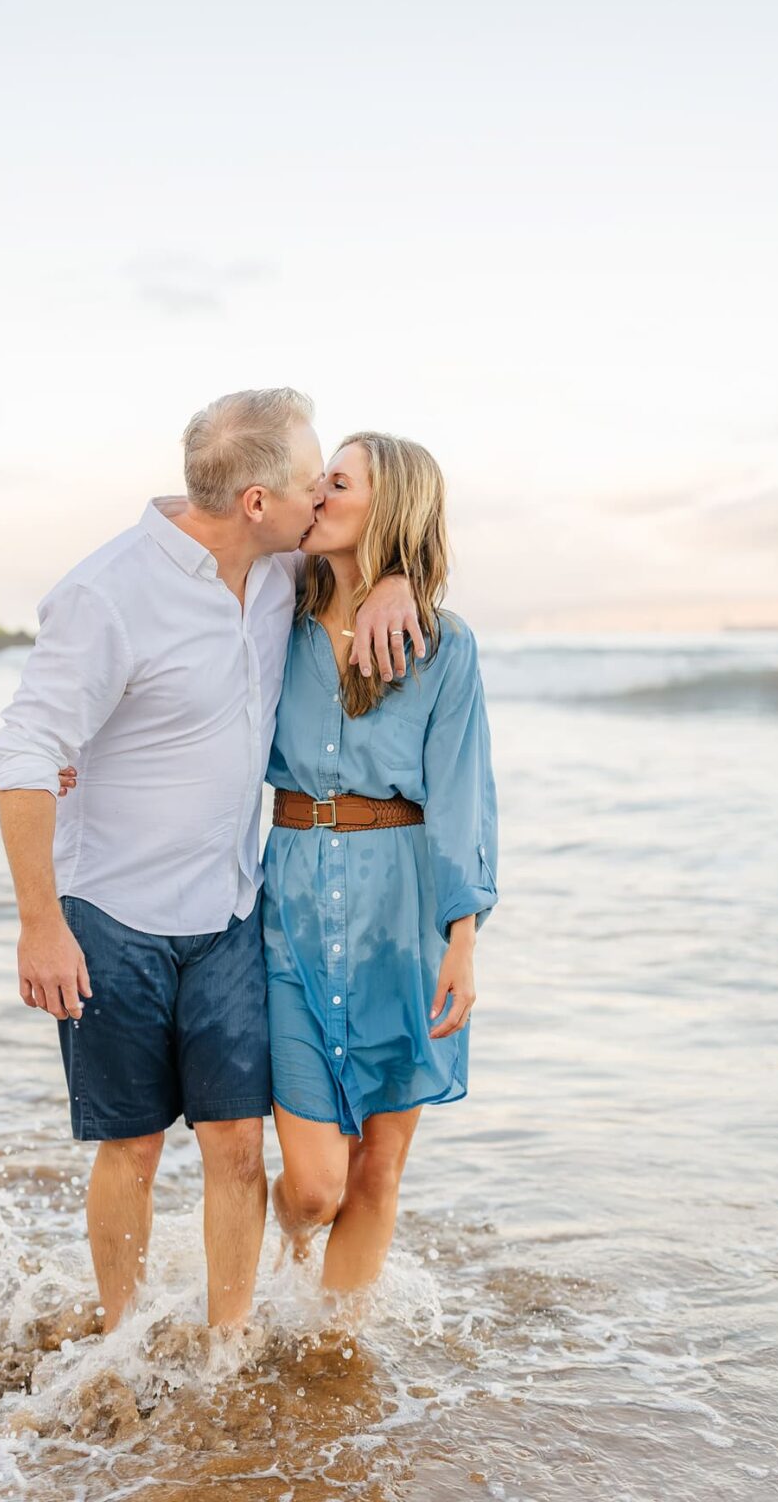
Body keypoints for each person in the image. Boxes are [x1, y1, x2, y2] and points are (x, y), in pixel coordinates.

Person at [0, 389, 423, 1333]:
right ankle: (124, 1339)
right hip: (111, 915)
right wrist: (39, 925)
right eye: (312, 481)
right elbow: (25, 753)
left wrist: (399, 584)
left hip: (231, 910)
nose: (324, 496)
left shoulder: (276, 569)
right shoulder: (106, 594)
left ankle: (224, 1350)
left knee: (234, 1145)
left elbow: (371, 544)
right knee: (133, 1148)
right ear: (257, 502)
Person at [263, 432, 498, 1298]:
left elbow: (462, 797)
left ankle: (334, 1357)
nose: (314, 494)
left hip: (402, 923)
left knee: (378, 1172)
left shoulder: (445, 649)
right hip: (289, 912)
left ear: (388, 509)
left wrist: (461, 941)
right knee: (318, 1186)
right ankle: (281, 1239)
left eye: (337, 483)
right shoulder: (270, 612)